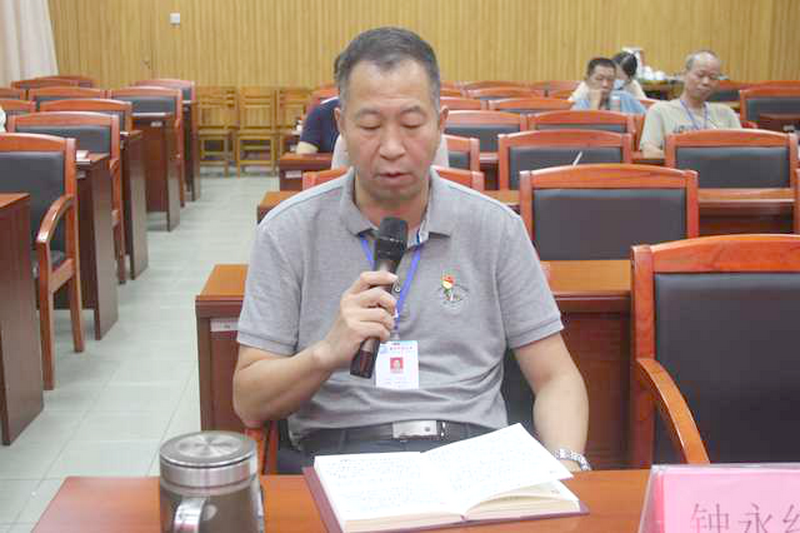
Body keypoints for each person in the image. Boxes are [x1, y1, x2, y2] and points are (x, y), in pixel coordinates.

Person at [234, 27, 589, 473]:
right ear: (340, 126)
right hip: (341, 459)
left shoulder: (496, 227)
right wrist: (325, 353)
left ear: (441, 123)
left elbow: (557, 377)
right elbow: (248, 401)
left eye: (411, 124)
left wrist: (568, 464)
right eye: (369, 126)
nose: (391, 148)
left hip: (473, 457)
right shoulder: (288, 231)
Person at [639, 50, 741, 158]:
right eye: (700, 75)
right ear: (684, 75)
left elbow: (743, 151)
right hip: (680, 168)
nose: (706, 82)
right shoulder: (660, 111)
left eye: (712, 77)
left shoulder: (726, 113)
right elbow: (649, 152)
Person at [571, 57, 646, 114]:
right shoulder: (579, 107)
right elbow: (588, 129)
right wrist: (594, 104)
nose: (605, 84)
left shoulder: (626, 98)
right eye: (599, 79)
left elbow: (648, 120)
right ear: (587, 81)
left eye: (610, 79)